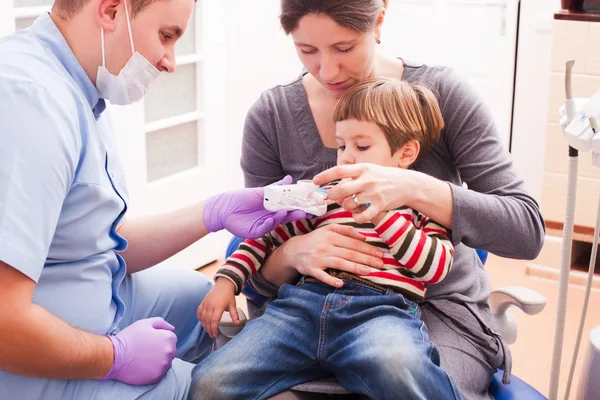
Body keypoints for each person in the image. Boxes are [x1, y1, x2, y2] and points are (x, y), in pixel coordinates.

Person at [198, 0, 546, 399]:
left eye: (344, 48)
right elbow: (261, 255)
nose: (327, 70)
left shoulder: (443, 95)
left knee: (401, 377)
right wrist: (294, 254)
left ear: (379, 21)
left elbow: (526, 230)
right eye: (306, 50)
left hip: (431, 311)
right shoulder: (271, 117)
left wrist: (410, 189)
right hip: (304, 310)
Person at [0, 0, 306, 399]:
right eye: (166, 36)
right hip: (32, 358)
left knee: (205, 307)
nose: (170, 62)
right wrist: (113, 356)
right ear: (110, 11)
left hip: (96, 290)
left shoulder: (79, 82)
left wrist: (212, 212)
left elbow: (99, 238)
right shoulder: (30, 105)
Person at [191, 77, 463, 400]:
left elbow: (435, 267)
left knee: (401, 368)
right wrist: (226, 282)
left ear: (405, 153)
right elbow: (264, 238)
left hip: (380, 314)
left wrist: (380, 213)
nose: (346, 157)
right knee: (209, 382)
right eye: (341, 145)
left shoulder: (421, 206)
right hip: (299, 311)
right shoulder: (323, 197)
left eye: (361, 147)